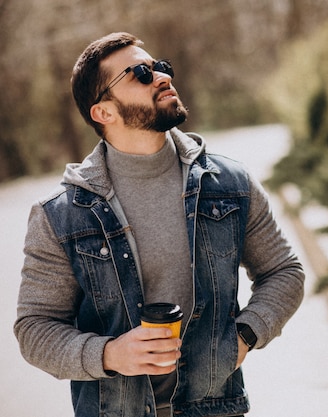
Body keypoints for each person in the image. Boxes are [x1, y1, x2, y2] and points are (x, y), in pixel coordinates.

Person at [14, 32, 305, 417]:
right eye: (140, 73)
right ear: (104, 112)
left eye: (159, 67)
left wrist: (244, 337)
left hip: (215, 408)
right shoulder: (60, 214)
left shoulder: (229, 184)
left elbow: (284, 271)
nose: (161, 76)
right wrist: (109, 354)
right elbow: (35, 328)